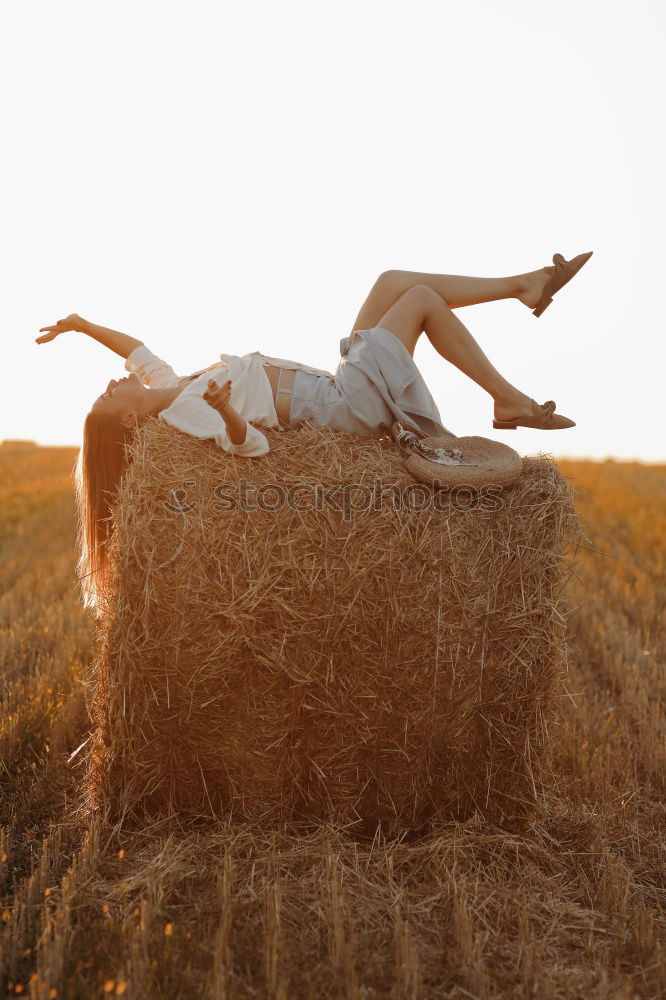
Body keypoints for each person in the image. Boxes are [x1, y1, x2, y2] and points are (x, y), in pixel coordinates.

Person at [35, 256, 585, 611]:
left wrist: (82, 326)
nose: (113, 382)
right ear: (130, 421)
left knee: (391, 280)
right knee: (416, 300)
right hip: (343, 407)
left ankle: (523, 286)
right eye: (109, 395)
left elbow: (136, 351)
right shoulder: (184, 412)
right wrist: (229, 412)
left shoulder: (165, 385)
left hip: (332, 386)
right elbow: (252, 445)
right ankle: (508, 398)